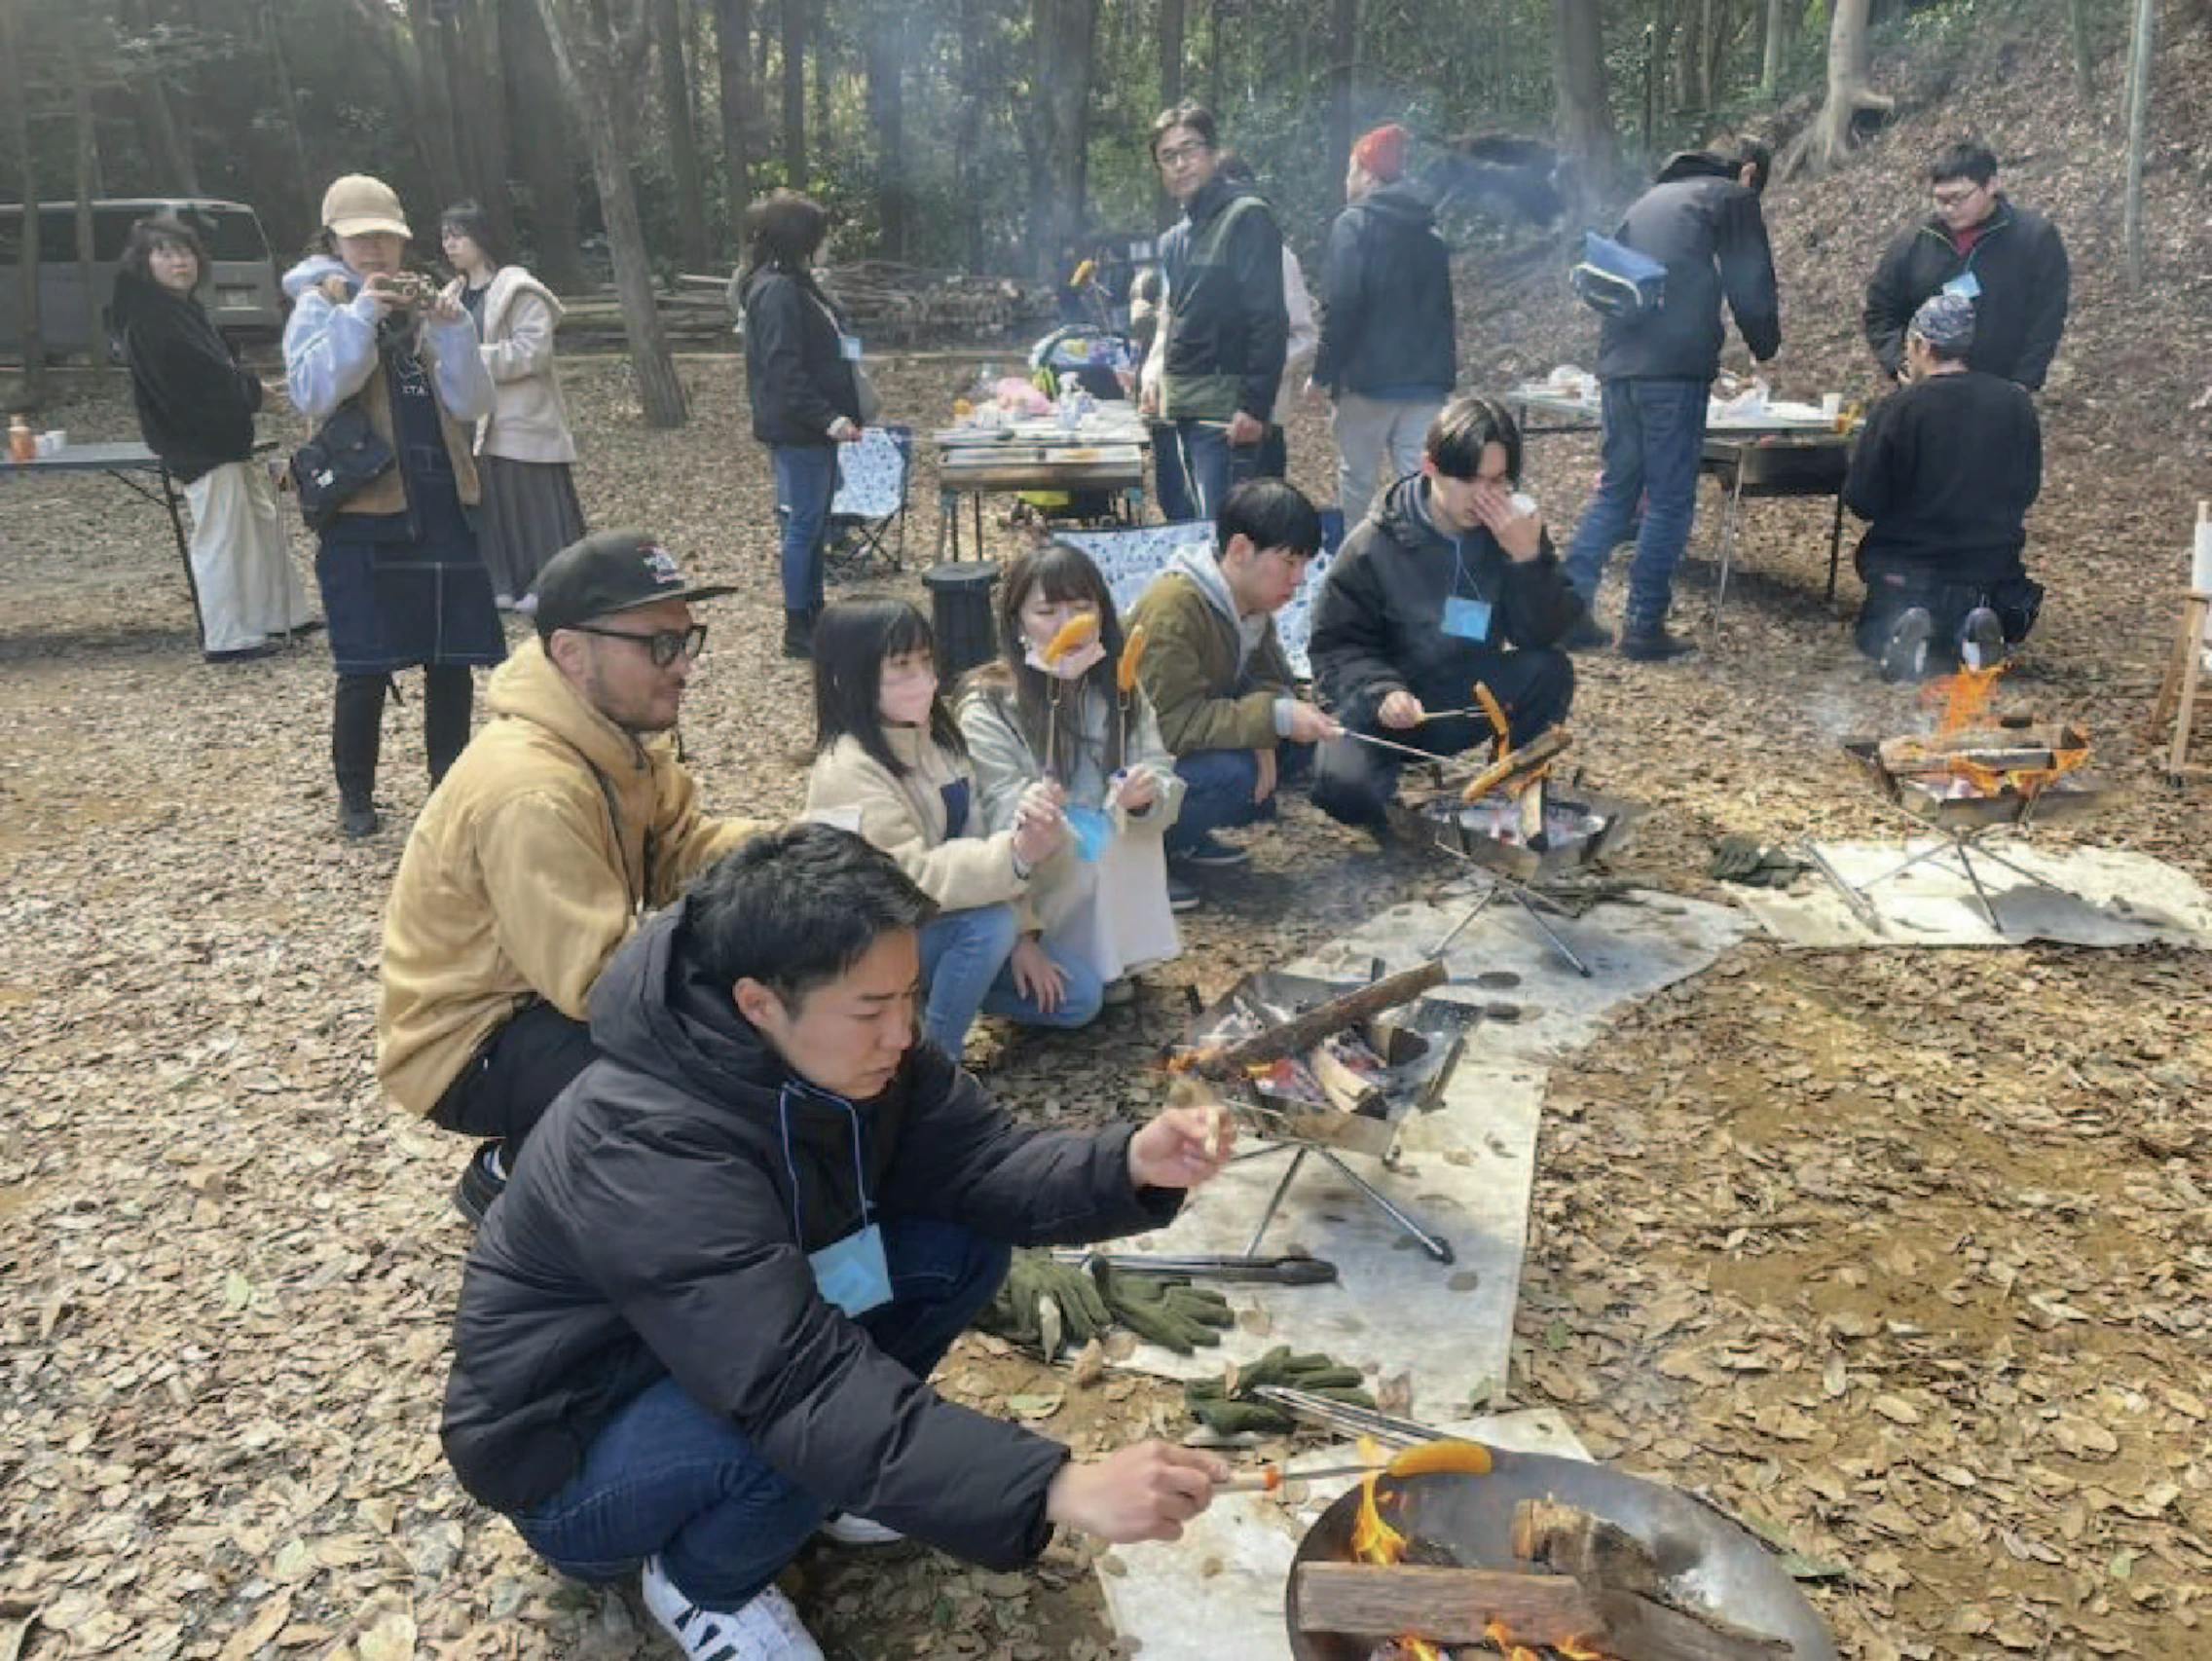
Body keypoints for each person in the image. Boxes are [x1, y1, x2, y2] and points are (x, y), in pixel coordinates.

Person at [439, 825, 1235, 1660]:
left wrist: (1132, 1163)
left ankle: (818, 1492)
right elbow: (792, 1384)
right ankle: (704, 1582)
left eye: (911, 997)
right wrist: (1057, 1487)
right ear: (757, 1003)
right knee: (796, 1426)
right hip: (577, 1452)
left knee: (957, 1247)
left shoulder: (854, 1050)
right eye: (872, 1009)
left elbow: (982, 1162)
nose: (903, 1033)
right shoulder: (644, 1141)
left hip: (714, 1353)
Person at [378, 531, 765, 1224]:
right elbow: (598, 984)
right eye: (658, 645)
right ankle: (519, 1171)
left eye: (686, 641)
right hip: (469, 1042)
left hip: (541, 999)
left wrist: (789, 852)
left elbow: (681, 852)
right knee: (709, 1060)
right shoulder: (532, 788)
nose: (683, 668)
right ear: (570, 652)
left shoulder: (611, 738)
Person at [283, 173, 505, 840]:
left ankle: (451, 783)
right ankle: (356, 793)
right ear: (335, 240)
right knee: (364, 661)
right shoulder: (319, 305)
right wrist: (361, 314)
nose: (376, 249)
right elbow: (316, 392)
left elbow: (471, 404)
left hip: (439, 497)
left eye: (387, 236)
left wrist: (457, 328)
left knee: (451, 655)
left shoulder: (426, 302)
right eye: (361, 237)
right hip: (363, 505)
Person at [804, 597, 1104, 1054]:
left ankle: (944, 993)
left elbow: (977, 835)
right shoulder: (846, 769)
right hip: (876, 941)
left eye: (925, 661)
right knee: (987, 928)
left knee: (1078, 997)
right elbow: (906, 878)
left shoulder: (938, 744)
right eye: (901, 666)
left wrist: (1025, 933)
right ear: (850, 678)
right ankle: (932, 1061)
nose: (921, 679)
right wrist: (1016, 856)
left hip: (947, 926)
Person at [1309, 397, 1581, 830]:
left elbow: (1541, 636)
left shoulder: (1512, 530)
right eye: (1470, 480)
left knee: (1550, 671)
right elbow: (1335, 647)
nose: (1486, 497)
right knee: (1337, 783)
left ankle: (1513, 794)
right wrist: (1382, 691)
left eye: (1498, 481)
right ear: (1430, 467)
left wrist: (1528, 560)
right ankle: (1392, 810)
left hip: (1466, 694)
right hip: (1393, 705)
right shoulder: (1374, 544)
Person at [1559, 140, 1781, 662]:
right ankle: (1643, 625)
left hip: (1618, 366)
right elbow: (1751, 280)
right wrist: (1765, 342)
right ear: (1749, 173)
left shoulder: (1654, 198)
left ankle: (1566, 612)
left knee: (1617, 489)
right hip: (1673, 372)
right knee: (1669, 499)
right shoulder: (1731, 196)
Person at [959, 542, 1188, 996]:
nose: (1071, 626)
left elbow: (1157, 764)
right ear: (1017, 622)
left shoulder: (1119, 687)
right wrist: (1032, 803)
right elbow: (991, 805)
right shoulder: (989, 705)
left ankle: (1121, 957)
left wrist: (1147, 794)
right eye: (1048, 611)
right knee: (1074, 841)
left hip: (1107, 832)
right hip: (1042, 859)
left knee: (1129, 832)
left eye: (1083, 608)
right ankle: (1059, 953)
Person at [112, 215, 313, 662]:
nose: (178, 261)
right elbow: (201, 383)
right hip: (198, 443)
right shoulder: (151, 318)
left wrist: (252, 391)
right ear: (146, 263)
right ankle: (228, 635)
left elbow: (218, 371)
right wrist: (255, 394)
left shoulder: (182, 309)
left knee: (260, 523)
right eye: (164, 253)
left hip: (226, 439)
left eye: (183, 252)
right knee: (221, 537)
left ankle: (282, 614)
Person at [1127, 478, 1340, 874]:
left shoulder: (1249, 604)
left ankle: (1186, 838)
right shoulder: (1174, 609)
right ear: (1240, 549)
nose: (1298, 580)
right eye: (1289, 563)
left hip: (1190, 738)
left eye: (1304, 566)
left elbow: (1270, 678)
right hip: (1132, 764)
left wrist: (1269, 732)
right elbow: (1169, 727)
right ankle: (1148, 856)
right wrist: (1271, 719)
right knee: (1232, 775)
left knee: (1300, 738)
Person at [1843, 293, 2044, 682]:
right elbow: (2027, 490)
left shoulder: (1901, 409)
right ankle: (1975, 632)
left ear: (1922, 346)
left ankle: (1906, 633)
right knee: (1976, 600)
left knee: (1877, 627)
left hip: (1909, 569)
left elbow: (1862, 499)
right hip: (1990, 569)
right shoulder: (2015, 405)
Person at [1141, 102, 1289, 521]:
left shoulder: (1247, 219)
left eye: (1190, 149)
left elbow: (1268, 318)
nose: (1180, 164)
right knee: (1195, 530)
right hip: (1183, 412)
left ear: (1212, 153)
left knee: (1228, 535)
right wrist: (1154, 379)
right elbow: (1174, 319)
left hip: (1226, 420)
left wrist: (1255, 407)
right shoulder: (1175, 241)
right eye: (1168, 157)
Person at [737, 190, 866, 660]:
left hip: (812, 429)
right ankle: (798, 626)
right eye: (820, 236)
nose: (825, 243)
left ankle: (814, 611)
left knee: (812, 525)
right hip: (799, 431)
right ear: (800, 238)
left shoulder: (798, 284)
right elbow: (783, 370)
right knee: (803, 526)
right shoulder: (776, 292)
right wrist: (828, 418)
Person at [438, 201, 585, 609]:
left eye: (458, 235)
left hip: (522, 415)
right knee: (492, 504)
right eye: (445, 237)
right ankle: (502, 582)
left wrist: (469, 357)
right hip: (474, 420)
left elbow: (531, 352)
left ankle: (547, 584)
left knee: (532, 502)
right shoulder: (450, 296)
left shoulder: (519, 290)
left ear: (482, 238)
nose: (450, 245)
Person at [1310, 123, 1456, 528]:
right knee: (1419, 480)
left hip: (1368, 382)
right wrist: (1443, 377)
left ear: (1368, 175)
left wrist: (1323, 372)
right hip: (1425, 383)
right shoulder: (1430, 231)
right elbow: (1444, 312)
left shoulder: (1353, 225)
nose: (1346, 181)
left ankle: (1361, 567)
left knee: (1358, 479)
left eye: (1350, 171)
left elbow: (1342, 305)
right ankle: (1420, 563)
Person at [1862, 139, 2069, 392]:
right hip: (1927, 392)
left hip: (2000, 390)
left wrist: (2024, 381)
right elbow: (1880, 312)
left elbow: (2046, 318)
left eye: (1959, 198)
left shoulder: (2033, 240)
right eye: (1940, 199)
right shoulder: (1914, 242)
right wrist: (1901, 363)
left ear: (1991, 185)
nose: (1949, 208)